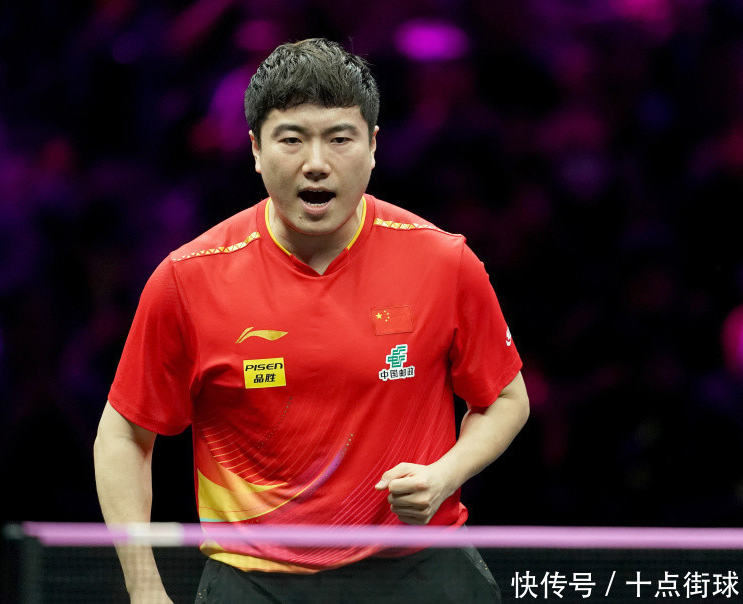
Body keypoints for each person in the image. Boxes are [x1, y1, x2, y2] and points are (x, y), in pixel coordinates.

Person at [94, 38, 529, 603]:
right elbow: (123, 435)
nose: (317, 163)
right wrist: (144, 590)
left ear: (373, 146)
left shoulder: (444, 262)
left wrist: (445, 474)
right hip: (254, 581)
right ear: (255, 148)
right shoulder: (188, 279)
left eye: (340, 138)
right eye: (292, 139)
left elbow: (506, 399)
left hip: (419, 571)